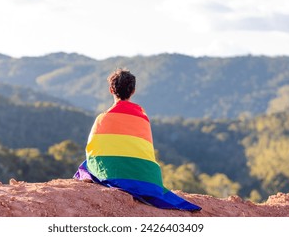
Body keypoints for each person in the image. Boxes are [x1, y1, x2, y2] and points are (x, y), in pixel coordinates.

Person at [74, 68, 201, 211]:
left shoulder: (102, 118)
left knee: (86, 167)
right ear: (133, 91)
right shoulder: (142, 118)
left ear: (111, 90)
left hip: (112, 172)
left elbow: (92, 151)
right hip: (145, 177)